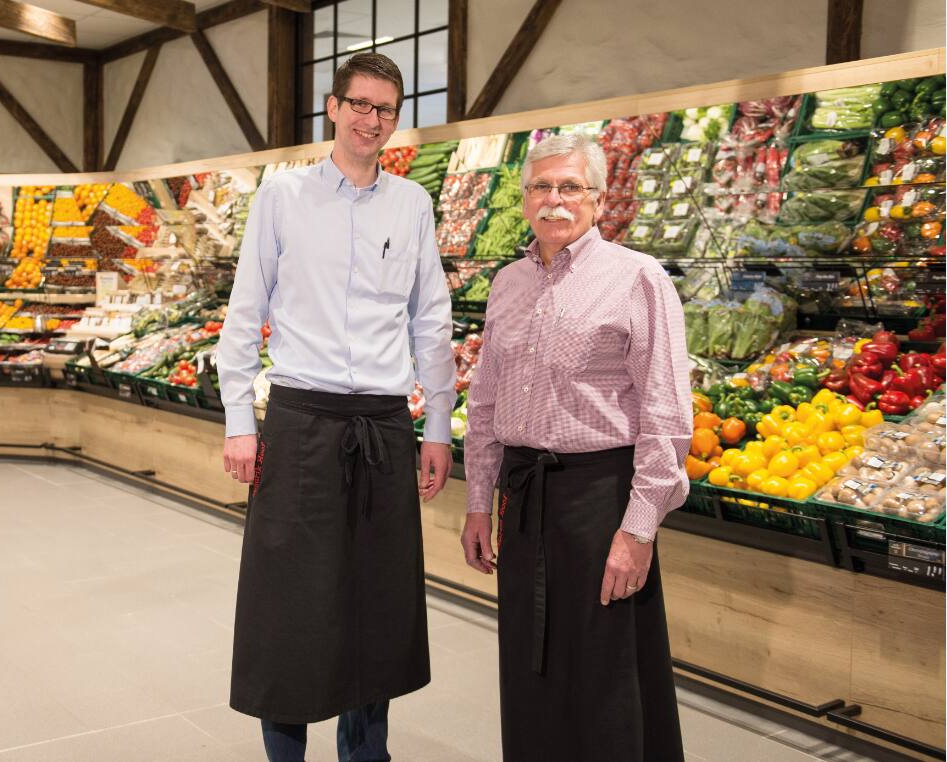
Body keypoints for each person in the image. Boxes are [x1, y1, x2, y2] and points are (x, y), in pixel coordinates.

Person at [217, 52, 456, 762]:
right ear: (331, 106)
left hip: (384, 424)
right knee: (287, 602)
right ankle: (285, 752)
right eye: (358, 104)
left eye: (383, 109)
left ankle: (365, 753)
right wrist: (239, 422)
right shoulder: (282, 197)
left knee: (375, 603)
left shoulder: (411, 205)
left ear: (394, 119)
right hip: (298, 422)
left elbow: (430, 321)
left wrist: (437, 425)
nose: (369, 119)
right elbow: (244, 312)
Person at [459, 133, 690, 761]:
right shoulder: (507, 283)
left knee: (605, 667)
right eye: (541, 186)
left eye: (570, 187)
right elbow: (484, 403)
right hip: (525, 494)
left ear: (598, 197)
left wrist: (638, 530)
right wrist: (479, 501)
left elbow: (666, 414)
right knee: (529, 663)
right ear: (525, 196)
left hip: (600, 500)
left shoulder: (637, 278)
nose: (554, 200)